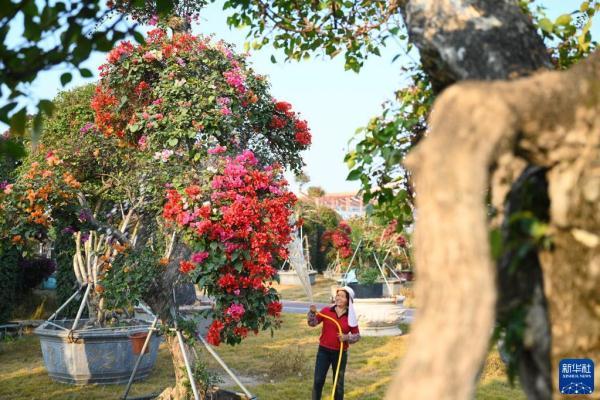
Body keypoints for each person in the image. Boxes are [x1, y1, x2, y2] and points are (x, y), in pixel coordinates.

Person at [308, 286, 360, 400]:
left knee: (338, 384)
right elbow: (312, 323)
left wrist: (347, 337)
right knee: (318, 380)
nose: (338, 298)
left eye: (342, 296)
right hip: (324, 351)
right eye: (337, 295)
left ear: (348, 300)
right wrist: (312, 313)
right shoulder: (327, 311)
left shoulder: (350, 316)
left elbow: (357, 336)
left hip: (340, 353)